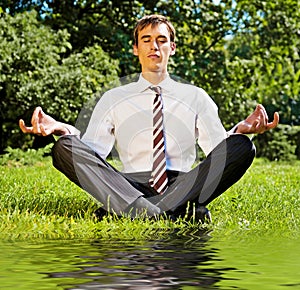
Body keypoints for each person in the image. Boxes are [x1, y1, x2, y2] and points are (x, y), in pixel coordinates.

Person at [19, 15, 279, 222]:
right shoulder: (113, 97)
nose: (154, 46)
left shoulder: (197, 96)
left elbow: (217, 149)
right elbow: (92, 152)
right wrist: (61, 129)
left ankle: (130, 212)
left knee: (242, 146)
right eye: (146, 39)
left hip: (183, 184)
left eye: (162, 40)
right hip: (126, 184)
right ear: (135, 48)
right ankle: (172, 212)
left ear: (172, 47)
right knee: (64, 148)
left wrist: (241, 129)